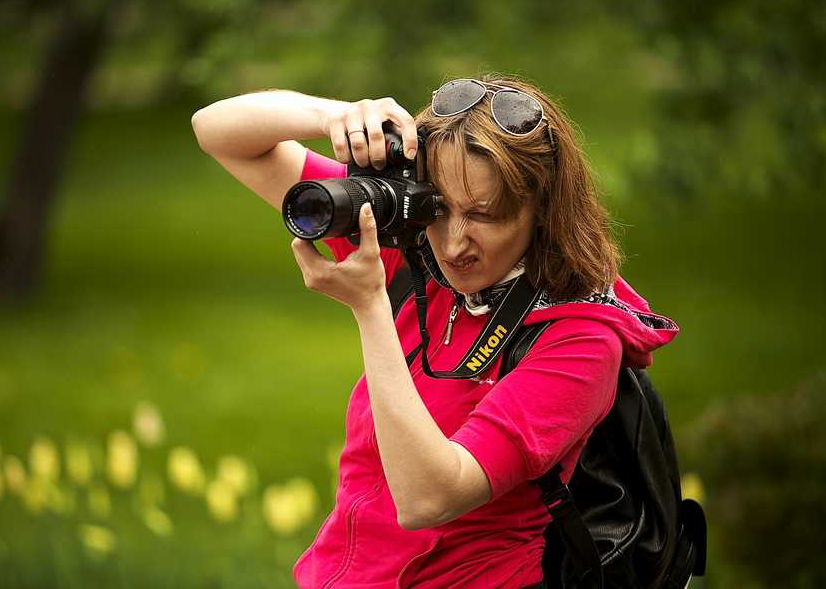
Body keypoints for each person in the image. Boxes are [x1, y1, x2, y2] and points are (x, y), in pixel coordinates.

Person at [192, 74, 678, 589]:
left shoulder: (580, 340)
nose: (452, 244)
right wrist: (335, 115)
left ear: (544, 210)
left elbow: (429, 499)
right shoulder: (410, 246)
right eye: (438, 208)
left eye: (485, 215)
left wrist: (370, 306)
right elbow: (216, 132)